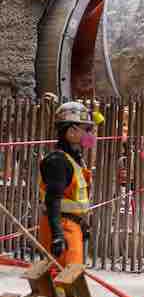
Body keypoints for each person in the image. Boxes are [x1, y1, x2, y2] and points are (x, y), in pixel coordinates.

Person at [38, 101, 97, 267]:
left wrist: (82, 223)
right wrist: (57, 235)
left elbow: (73, 198)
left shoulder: (74, 160)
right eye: (87, 129)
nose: (90, 134)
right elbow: (53, 200)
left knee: (69, 278)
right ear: (71, 131)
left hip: (71, 225)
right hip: (61, 227)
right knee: (64, 279)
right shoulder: (58, 162)